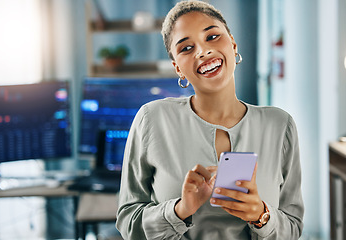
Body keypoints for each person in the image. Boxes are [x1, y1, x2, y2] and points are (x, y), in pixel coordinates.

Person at [116, 1, 304, 239]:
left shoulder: (280, 125)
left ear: (233, 44)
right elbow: (128, 222)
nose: (203, 51)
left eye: (213, 36)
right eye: (186, 48)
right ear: (178, 69)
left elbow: (293, 228)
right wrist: (180, 210)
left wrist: (260, 214)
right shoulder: (151, 119)